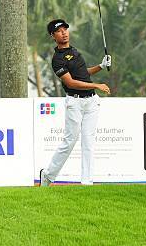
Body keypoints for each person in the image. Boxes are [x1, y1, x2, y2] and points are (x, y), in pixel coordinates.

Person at [40, 19, 111, 186]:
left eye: (65, 29)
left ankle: (87, 182)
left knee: (88, 141)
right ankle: (48, 175)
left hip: (91, 102)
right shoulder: (57, 59)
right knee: (70, 141)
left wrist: (100, 66)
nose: (64, 32)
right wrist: (96, 84)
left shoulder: (74, 51)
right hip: (75, 103)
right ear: (53, 35)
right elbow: (71, 82)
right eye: (59, 31)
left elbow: (83, 74)